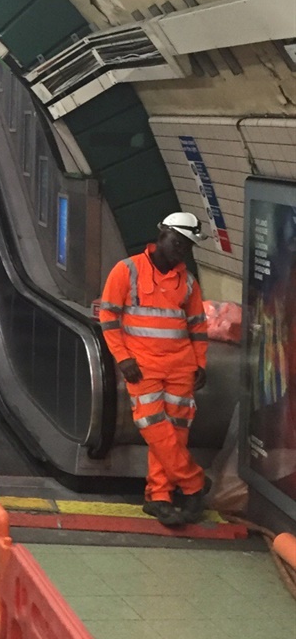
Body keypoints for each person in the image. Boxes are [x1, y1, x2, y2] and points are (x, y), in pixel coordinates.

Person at [98, 212, 210, 527]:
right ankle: (193, 483)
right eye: (177, 242)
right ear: (160, 235)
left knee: (175, 431)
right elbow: (108, 317)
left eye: (186, 246)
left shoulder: (188, 282)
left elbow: (198, 327)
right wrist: (122, 357)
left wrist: (200, 362)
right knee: (153, 425)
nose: (180, 250)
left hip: (181, 366)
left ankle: (159, 496)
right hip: (142, 366)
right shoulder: (127, 270)